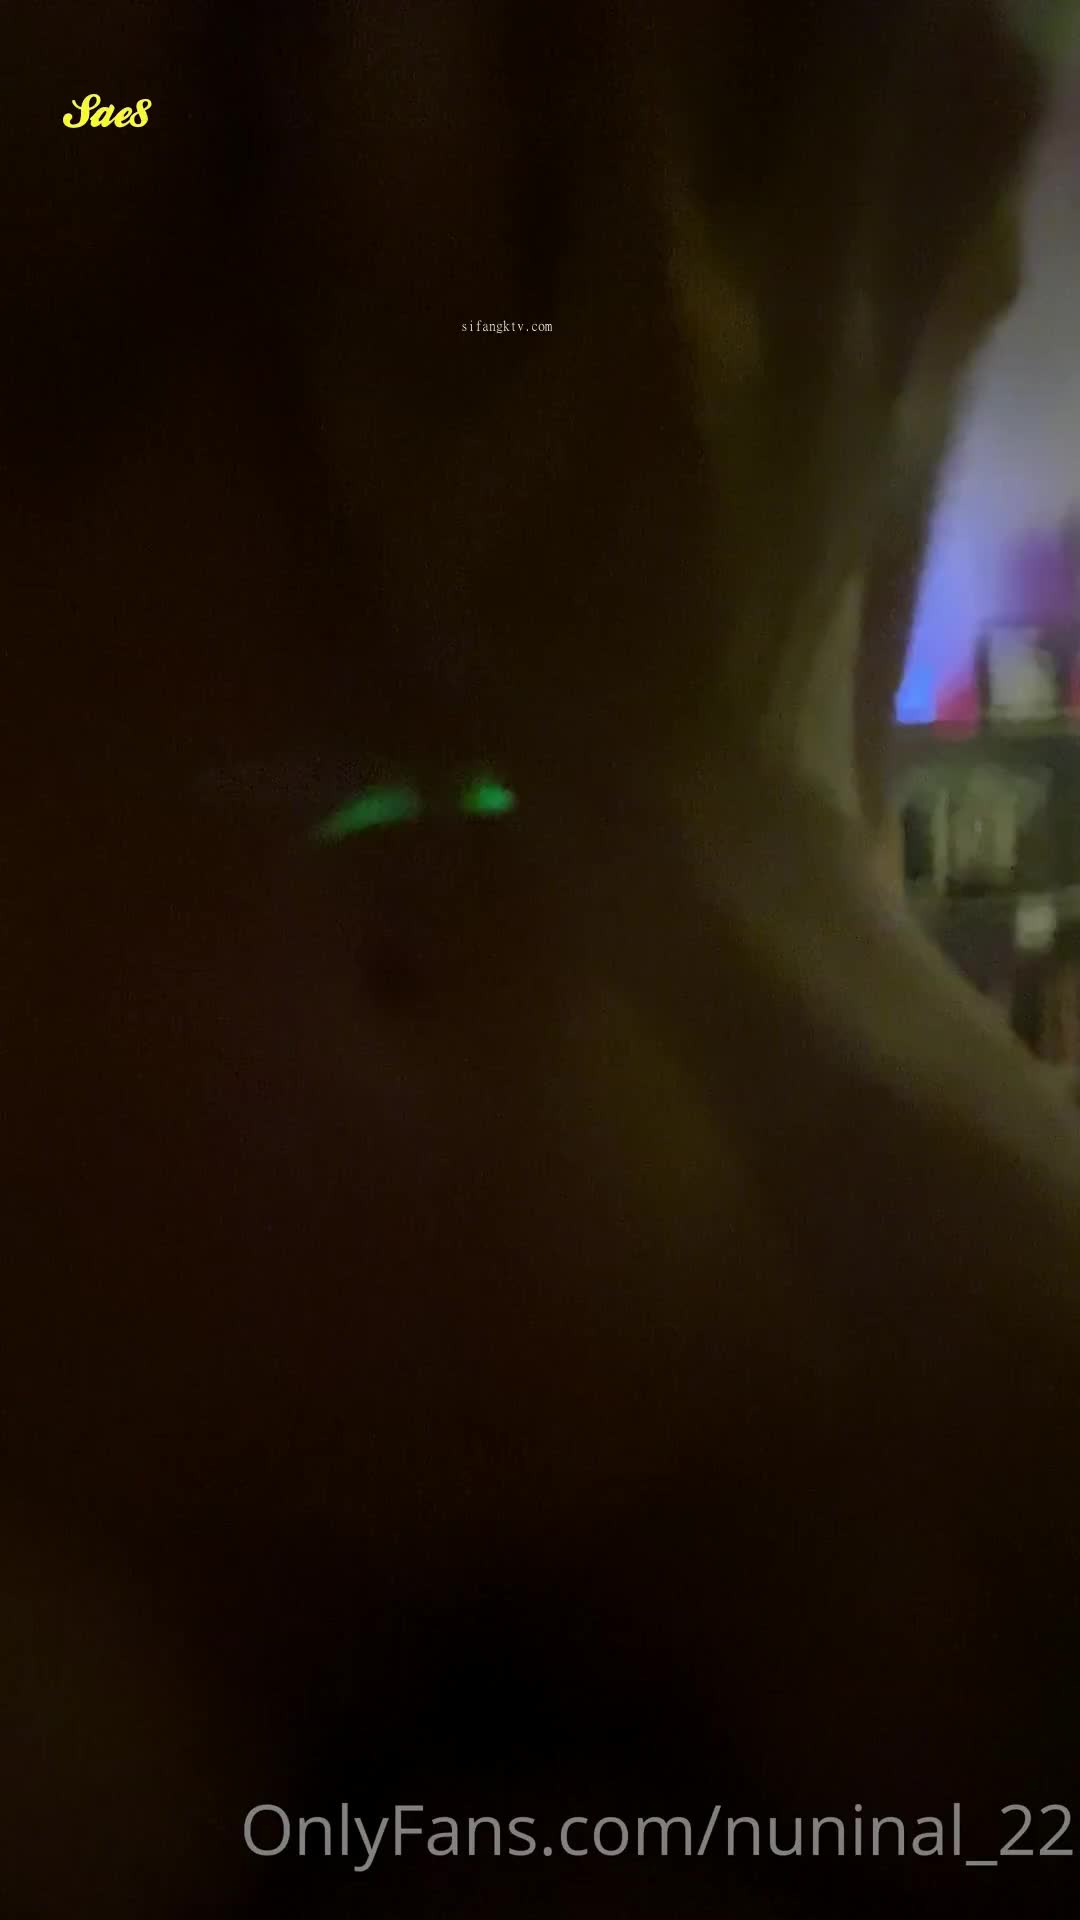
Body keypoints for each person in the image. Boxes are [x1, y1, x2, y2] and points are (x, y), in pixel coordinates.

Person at [6, 3, 1079, 1914]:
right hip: (119, 1427)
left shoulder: (853, 96)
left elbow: (788, 666)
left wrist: (742, 864)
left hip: (717, 1319)